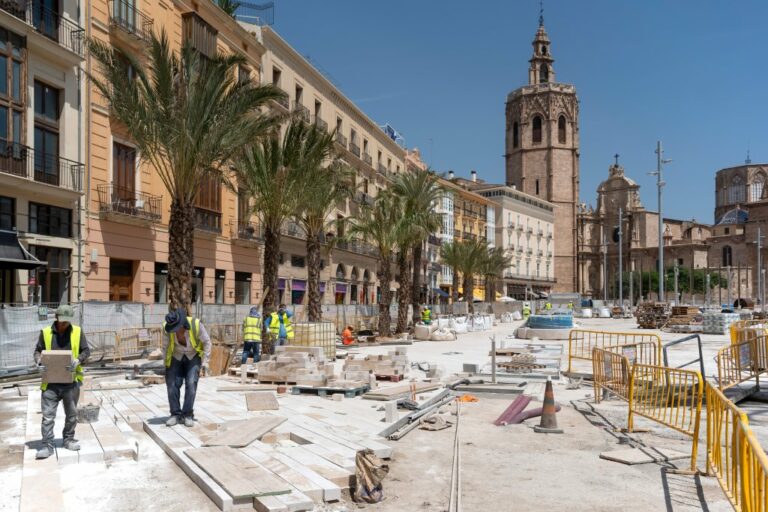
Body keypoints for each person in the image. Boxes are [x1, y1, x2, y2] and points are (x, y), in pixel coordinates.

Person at [33, 304, 91, 459]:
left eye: (67, 321)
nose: (65, 324)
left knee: (71, 415)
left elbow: (86, 350)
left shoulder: (77, 331)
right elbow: (38, 350)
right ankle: (47, 446)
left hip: (70, 382)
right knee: (48, 417)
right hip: (50, 383)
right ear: (56, 318)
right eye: (63, 321)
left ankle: (68, 439)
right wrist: (38, 361)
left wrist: (79, 359)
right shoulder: (45, 333)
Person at [162, 308, 211, 427]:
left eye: (177, 329)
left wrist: (205, 363)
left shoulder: (196, 325)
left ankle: (187, 414)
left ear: (183, 325)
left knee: (191, 383)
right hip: (176, 355)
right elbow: (165, 346)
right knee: (172, 383)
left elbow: (207, 342)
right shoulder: (166, 328)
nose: (175, 332)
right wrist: (166, 363)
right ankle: (175, 414)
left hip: (193, 355)